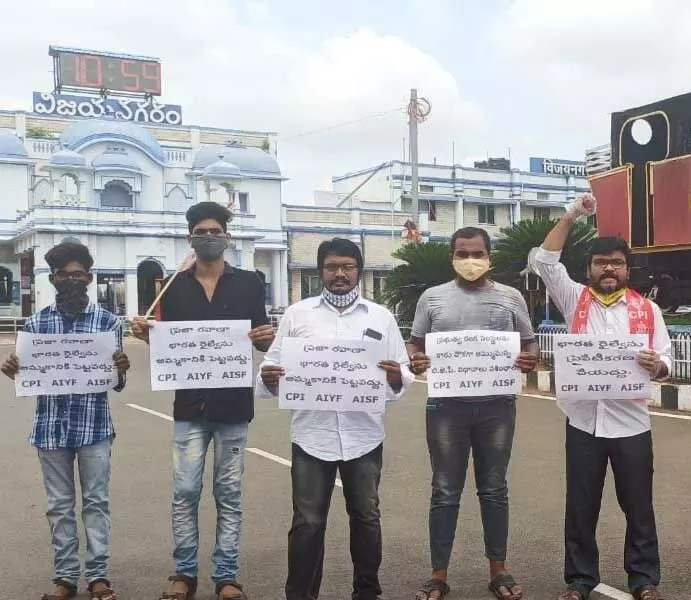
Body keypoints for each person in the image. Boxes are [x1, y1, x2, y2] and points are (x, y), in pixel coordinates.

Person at [528, 194, 672, 600]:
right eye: (601, 262)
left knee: (638, 505)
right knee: (581, 504)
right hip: (584, 422)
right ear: (589, 268)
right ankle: (579, 580)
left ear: (628, 268)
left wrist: (656, 365)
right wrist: (573, 214)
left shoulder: (648, 310)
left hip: (631, 423)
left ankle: (644, 580)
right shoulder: (574, 299)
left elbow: (666, 359)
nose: (609, 268)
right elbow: (543, 261)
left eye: (617, 262)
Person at [130, 201, 275, 600]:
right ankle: (184, 572)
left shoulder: (249, 283)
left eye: (216, 231)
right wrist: (148, 335)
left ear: (227, 236)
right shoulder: (173, 285)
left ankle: (226, 575)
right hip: (190, 406)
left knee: (229, 494)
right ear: (189, 236)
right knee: (185, 492)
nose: (208, 237)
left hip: (233, 407)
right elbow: (168, 343)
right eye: (201, 231)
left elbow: (262, 335)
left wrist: (267, 339)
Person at [257, 238, 414, 600]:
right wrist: (268, 377)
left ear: (358, 270)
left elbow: (402, 372)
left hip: (364, 436)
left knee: (366, 518)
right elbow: (272, 365)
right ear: (320, 271)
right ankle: (299, 594)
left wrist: (395, 377)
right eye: (331, 267)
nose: (340, 273)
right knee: (308, 523)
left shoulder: (381, 317)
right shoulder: (298, 315)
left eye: (347, 266)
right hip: (312, 436)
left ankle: (367, 592)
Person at [407, 226, 539, 600]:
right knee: (444, 490)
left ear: (489, 256)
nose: (470, 261)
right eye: (462, 253)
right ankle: (438, 575)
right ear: (452, 256)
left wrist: (530, 359)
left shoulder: (511, 297)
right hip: (446, 407)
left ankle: (498, 570)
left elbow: (528, 342)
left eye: (477, 253)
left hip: (497, 407)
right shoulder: (432, 298)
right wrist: (415, 358)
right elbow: (416, 342)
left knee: (494, 490)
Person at [1, 241, 130, 600]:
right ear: (53, 278)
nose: (72, 279)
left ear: (89, 278)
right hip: (50, 428)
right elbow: (28, 375)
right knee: (59, 506)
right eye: (64, 274)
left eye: (79, 274)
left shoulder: (107, 322)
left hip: (94, 428)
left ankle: (98, 575)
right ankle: (65, 578)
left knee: (96, 502)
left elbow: (116, 383)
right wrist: (14, 370)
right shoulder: (37, 323)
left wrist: (122, 369)